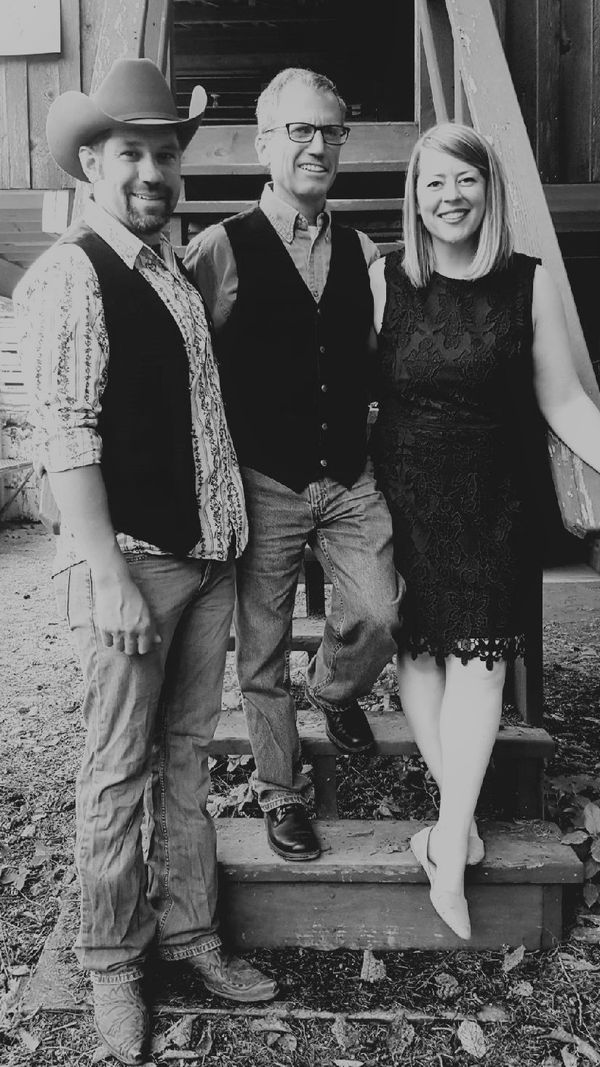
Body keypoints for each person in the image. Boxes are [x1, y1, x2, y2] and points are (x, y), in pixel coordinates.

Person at [14, 58, 277, 1067]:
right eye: (132, 153)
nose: (153, 171)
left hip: (205, 557)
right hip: (135, 564)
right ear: (92, 162)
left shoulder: (167, 266)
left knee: (185, 756)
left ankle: (190, 931)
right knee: (117, 766)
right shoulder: (72, 273)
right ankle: (112, 958)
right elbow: (68, 438)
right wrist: (110, 574)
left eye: (166, 154)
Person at [370, 121, 600, 940]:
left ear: (488, 188)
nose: (450, 196)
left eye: (465, 179)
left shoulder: (528, 282)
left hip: (494, 498)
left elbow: (564, 400)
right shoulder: (385, 279)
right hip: (405, 493)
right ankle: (456, 824)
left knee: (483, 661)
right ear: (415, 196)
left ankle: (448, 848)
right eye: (434, 182)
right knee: (420, 651)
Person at [185, 68, 403, 863]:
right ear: (263, 144)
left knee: (381, 610)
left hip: (347, 475)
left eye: (330, 131)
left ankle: (335, 688)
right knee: (263, 649)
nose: (317, 146)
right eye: (300, 130)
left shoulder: (362, 250)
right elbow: (186, 362)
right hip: (264, 479)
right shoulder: (220, 246)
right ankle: (282, 792)